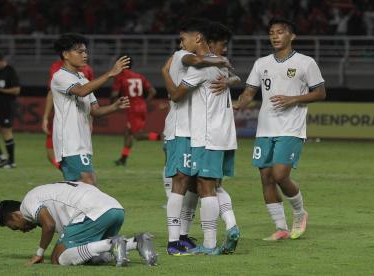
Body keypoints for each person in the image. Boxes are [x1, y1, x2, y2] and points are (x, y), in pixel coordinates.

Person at [234, 18, 326, 241]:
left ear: (291, 36)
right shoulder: (261, 63)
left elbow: (320, 92)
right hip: (265, 129)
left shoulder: (306, 62)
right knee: (266, 177)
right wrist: (236, 104)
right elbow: (249, 92)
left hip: (291, 128)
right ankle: (281, 228)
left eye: (280, 32)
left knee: (280, 174)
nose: (275, 36)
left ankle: (299, 213)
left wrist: (293, 99)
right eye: (272, 33)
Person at [162, 18, 237, 255]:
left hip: (196, 132)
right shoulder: (184, 56)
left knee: (196, 185)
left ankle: (187, 237)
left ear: (198, 38)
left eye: (184, 38)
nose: (180, 43)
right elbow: (190, 62)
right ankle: (176, 240)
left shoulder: (206, 63)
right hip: (181, 130)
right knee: (185, 183)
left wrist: (228, 74)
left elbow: (213, 67)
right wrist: (220, 61)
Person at [0, 181, 157, 266]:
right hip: (115, 209)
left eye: (16, 227)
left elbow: (49, 225)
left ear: (14, 216)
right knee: (91, 257)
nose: (23, 231)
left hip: (91, 212)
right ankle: (136, 242)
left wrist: (39, 254)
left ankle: (113, 243)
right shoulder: (45, 191)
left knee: (58, 258)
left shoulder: (27, 204)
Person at [51, 33, 130, 184]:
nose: (85, 55)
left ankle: (51, 202)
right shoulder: (60, 77)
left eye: (86, 51)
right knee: (88, 182)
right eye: (79, 52)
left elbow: (95, 111)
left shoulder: (83, 79)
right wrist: (110, 74)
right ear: (66, 54)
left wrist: (115, 106)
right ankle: (47, 199)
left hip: (83, 141)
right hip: (69, 141)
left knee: (77, 185)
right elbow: (81, 91)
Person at [42, 60, 94, 170]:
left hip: (69, 118)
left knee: (51, 151)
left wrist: (46, 117)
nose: (84, 55)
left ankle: (72, 173)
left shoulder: (57, 68)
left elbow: (87, 92)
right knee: (53, 151)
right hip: (74, 117)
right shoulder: (86, 69)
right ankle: (72, 173)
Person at [110, 56, 160, 166]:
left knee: (137, 135)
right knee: (128, 133)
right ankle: (123, 159)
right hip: (141, 106)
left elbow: (114, 94)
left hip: (132, 108)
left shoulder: (120, 77)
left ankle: (162, 137)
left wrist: (112, 105)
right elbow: (153, 91)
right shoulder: (139, 76)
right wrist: (145, 102)